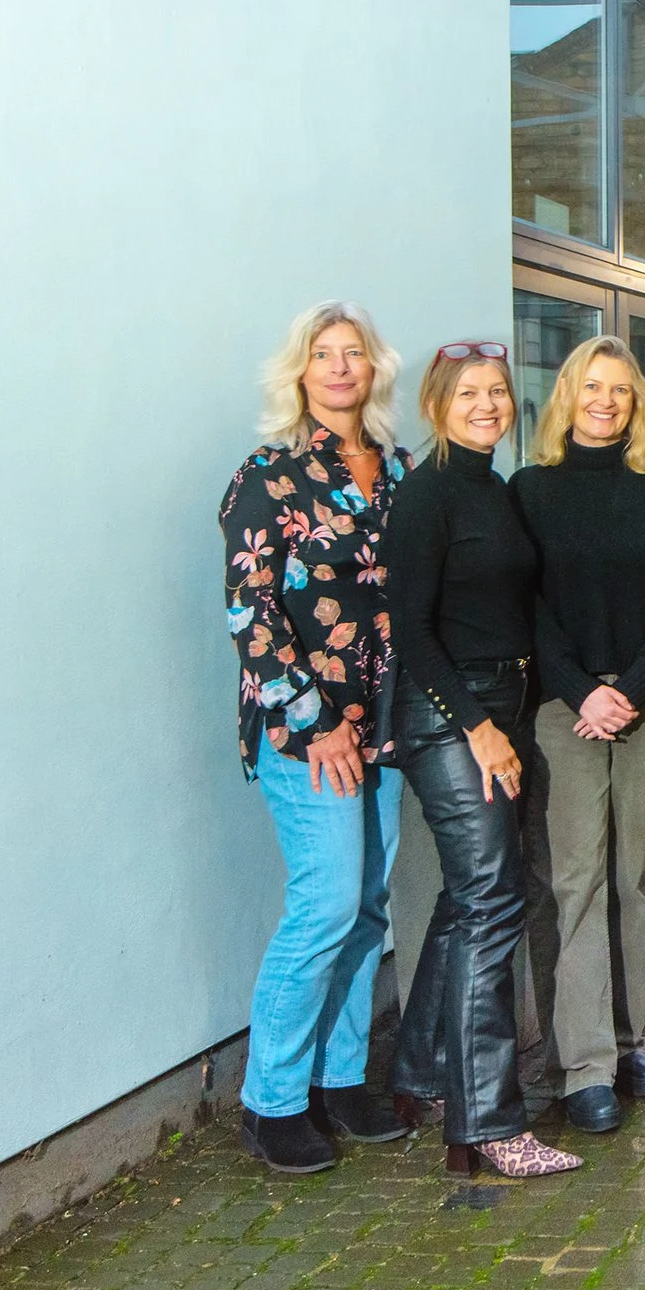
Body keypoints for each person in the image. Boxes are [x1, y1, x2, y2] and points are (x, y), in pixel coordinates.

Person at [220, 302, 414, 1174]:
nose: (339, 366)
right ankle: (271, 1100)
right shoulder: (266, 475)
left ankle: (339, 1080)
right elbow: (250, 614)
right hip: (306, 731)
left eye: (353, 353)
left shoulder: (401, 472)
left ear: (375, 368)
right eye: (322, 353)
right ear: (300, 370)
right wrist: (318, 720)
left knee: (368, 906)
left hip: (385, 727)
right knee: (326, 903)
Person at [384, 341, 580, 1179]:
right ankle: (487, 1124)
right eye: (468, 392)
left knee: (469, 899)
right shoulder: (426, 492)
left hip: (505, 701)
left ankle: (423, 1075)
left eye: (498, 390)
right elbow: (411, 629)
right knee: (494, 902)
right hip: (451, 713)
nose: (487, 404)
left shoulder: (495, 488)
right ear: (437, 404)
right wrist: (478, 726)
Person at [509, 337, 645, 1135]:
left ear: (637, 402)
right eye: (592, 385)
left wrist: (629, 689)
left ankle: (629, 1044)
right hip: (564, 709)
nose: (605, 400)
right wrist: (581, 689)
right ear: (567, 392)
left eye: (620, 389)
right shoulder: (530, 489)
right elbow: (525, 605)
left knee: (631, 876)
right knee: (576, 879)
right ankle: (582, 1064)